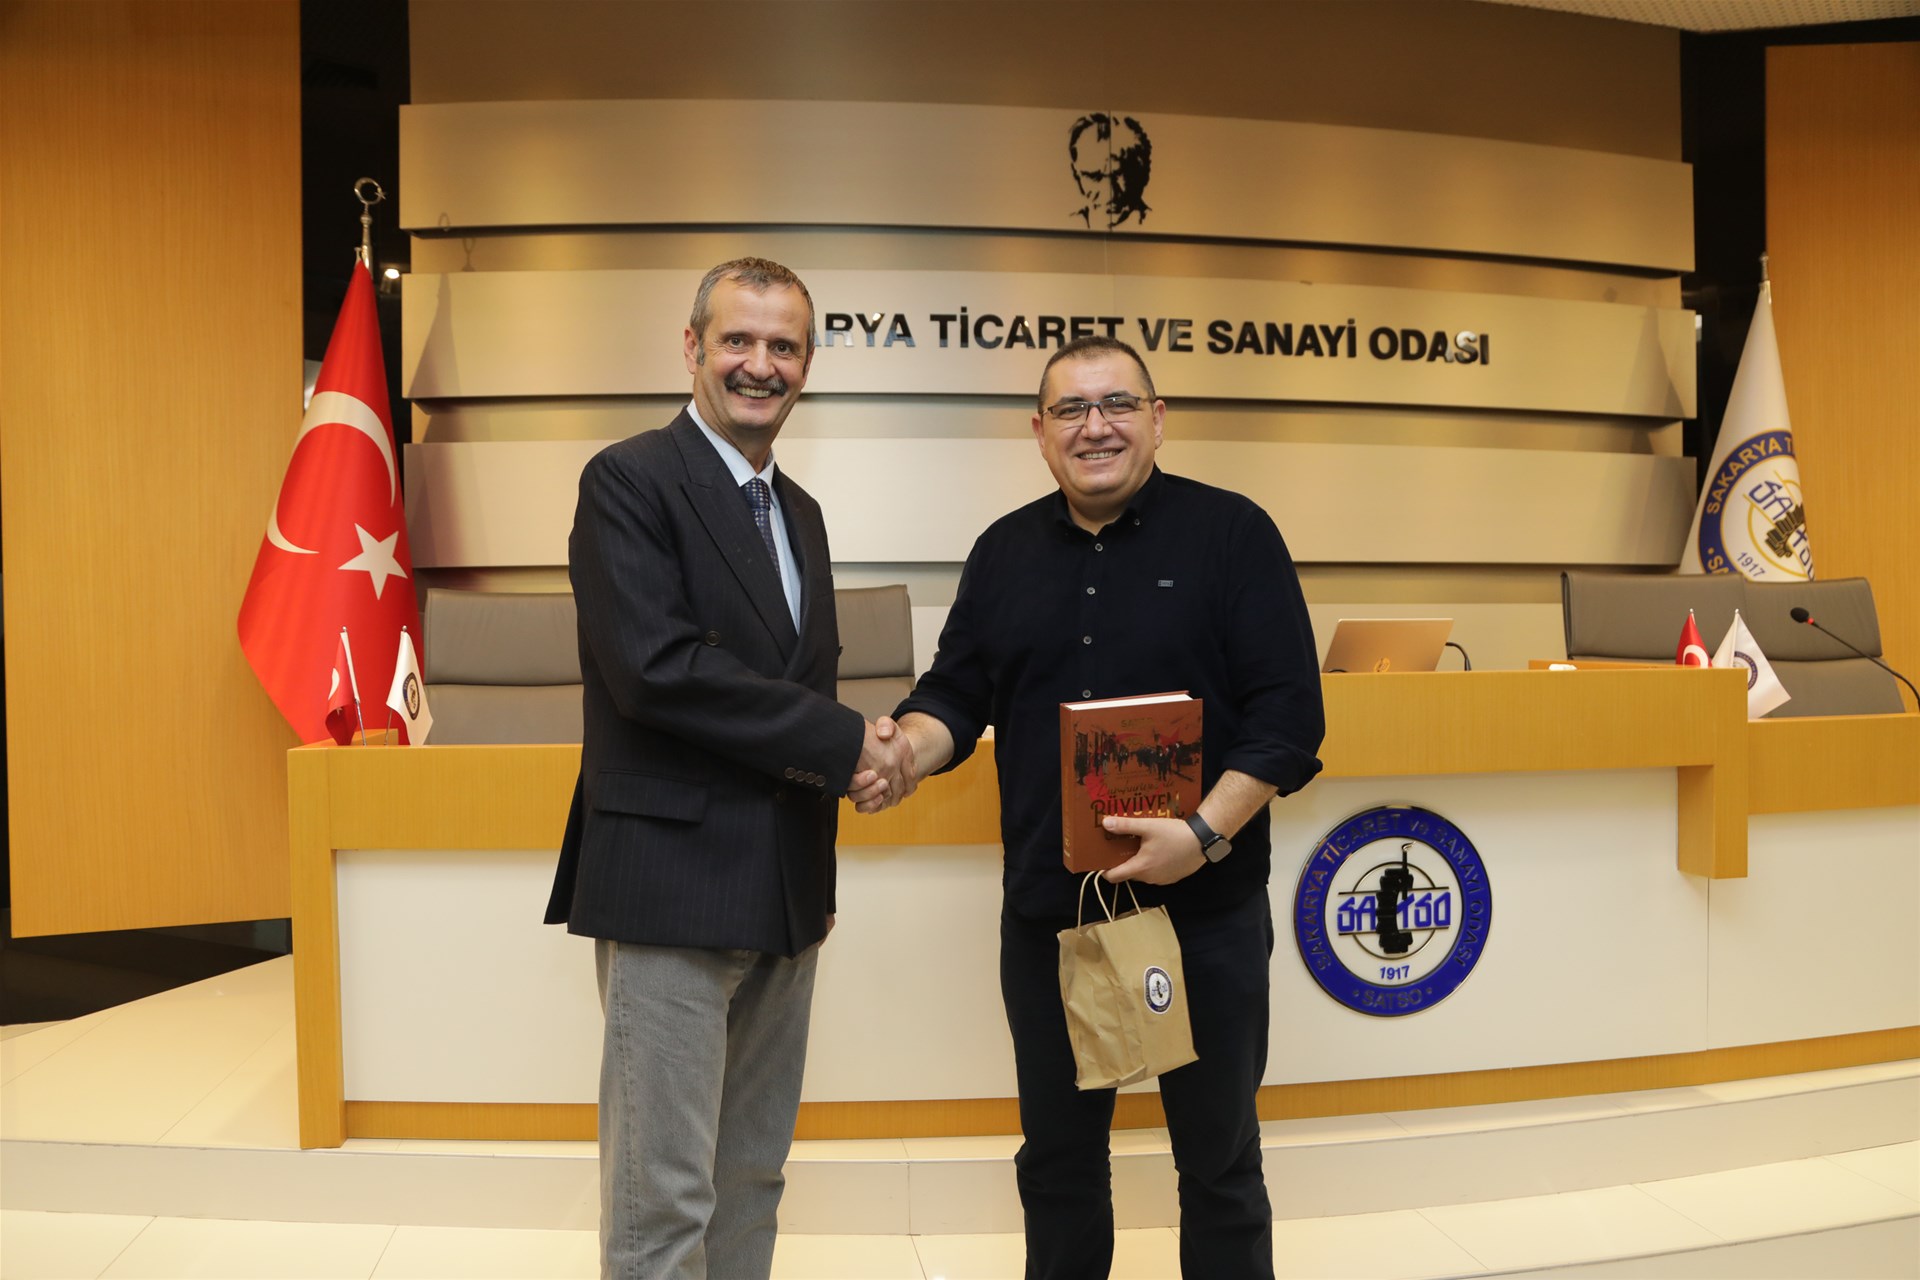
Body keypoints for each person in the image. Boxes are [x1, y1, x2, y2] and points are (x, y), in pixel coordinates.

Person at [884, 335, 1324, 1279]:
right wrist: (902, 753)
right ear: (1039, 432)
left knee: (1220, 1166)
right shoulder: (1002, 552)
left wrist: (1201, 835)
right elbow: (954, 696)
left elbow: (1289, 719)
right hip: (1056, 915)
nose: (1096, 427)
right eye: (1071, 410)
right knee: (1058, 1166)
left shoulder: (1233, 534)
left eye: (1118, 404)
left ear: (1157, 420)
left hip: (1204, 910)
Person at [545, 257, 913, 1280]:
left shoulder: (801, 513)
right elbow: (657, 672)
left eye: (784, 345)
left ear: (807, 364)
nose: (760, 364)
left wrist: (819, 872)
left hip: (785, 896)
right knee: (662, 1205)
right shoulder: (628, 480)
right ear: (693, 347)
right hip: (670, 888)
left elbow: (797, 686)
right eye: (738, 339)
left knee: (751, 1180)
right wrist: (849, 744)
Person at [1068, 113, 1153, 229]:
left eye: (1118, 174)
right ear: (1076, 174)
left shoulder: (1159, 223)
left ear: (1143, 175)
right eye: (1095, 177)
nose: (1111, 194)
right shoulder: (1068, 223)